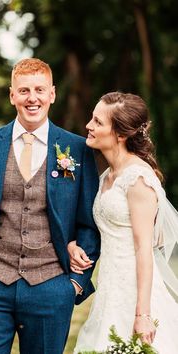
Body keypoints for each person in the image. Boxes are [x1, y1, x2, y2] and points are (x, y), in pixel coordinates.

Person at [0, 58, 100, 354]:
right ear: (12, 95)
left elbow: (89, 221)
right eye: (24, 90)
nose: (33, 98)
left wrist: (75, 284)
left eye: (40, 90)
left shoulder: (77, 148)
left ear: (52, 94)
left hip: (51, 286)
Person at [68, 92, 178, 353]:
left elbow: (145, 248)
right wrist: (73, 245)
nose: (89, 126)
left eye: (98, 122)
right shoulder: (108, 174)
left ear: (120, 134)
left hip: (135, 292)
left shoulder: (138, 179)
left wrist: (142, 314)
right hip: (110, 287)